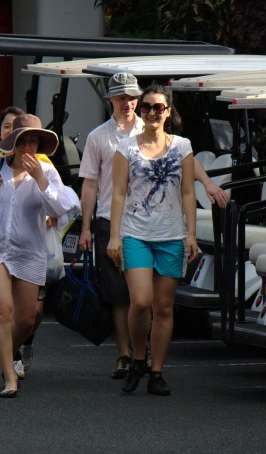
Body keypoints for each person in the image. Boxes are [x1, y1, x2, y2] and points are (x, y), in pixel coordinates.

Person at [78, 73, 228, 380]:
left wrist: (207, 187)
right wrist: (88, 226)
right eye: (123, 98)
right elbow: (94, 185)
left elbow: (185, 171)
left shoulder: (165, 136)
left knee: (157, 304)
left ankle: (151, 364)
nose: (131, 104)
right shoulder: (103, 138)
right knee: (128, 297)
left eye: (133, 98)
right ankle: (129, 354)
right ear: (111, 101)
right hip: (117, 222)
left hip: (165, 229)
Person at [0, 114, 79, 398]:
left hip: (29, 250)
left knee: (27, 319)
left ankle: (8, 351)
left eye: (34, 140)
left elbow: (64, 207)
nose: (28, 146)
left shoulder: (46, 171)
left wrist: (40, 179)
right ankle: (9, 375)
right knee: (4, 311)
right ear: (13, 142)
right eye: (23, 140)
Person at [107, 83, 199, 396]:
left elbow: (188, 192)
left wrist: (192, 235)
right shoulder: (127, 146)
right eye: (146, 107)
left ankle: (156, 371)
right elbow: (118, 193)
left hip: (172, 235)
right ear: (141, 111)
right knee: (141, 301)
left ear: (168, 111)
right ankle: (137, 358)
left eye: (159, 107)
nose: (152, 113)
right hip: (136, 234)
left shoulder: (182, 146)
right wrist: (114, 236)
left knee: (163, 307)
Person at [0, 107, 60, 378]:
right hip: (0, 249)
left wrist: (49, 216)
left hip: (35, 248)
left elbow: (59, 203)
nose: (13, 134)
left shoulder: (43, 164)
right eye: (7, 128)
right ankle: (12, 358)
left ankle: (25, 341)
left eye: (20, 131)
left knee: (32, 311)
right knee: (4, 307)